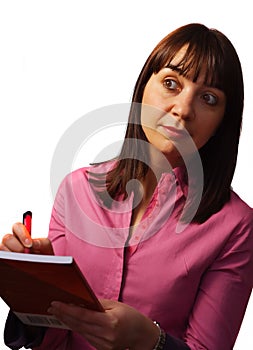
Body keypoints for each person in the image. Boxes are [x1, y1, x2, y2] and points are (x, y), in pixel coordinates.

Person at [1, 22, 253, 350]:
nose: (184, 109)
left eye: (208, 98)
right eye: (171, 83)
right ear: (143, 88)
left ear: (224, 120)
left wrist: (151, 340)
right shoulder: (76, 190)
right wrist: (36, 288)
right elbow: (55, 338)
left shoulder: (236, 226)